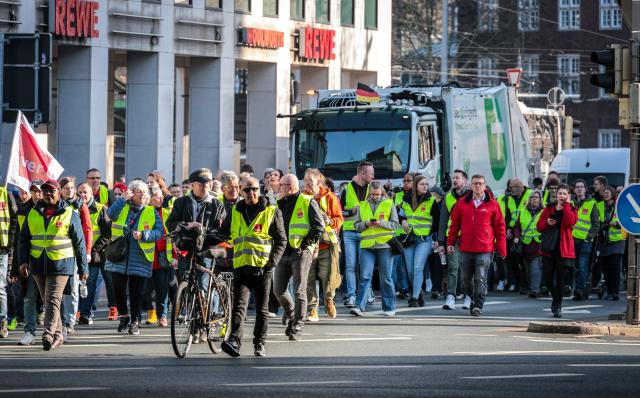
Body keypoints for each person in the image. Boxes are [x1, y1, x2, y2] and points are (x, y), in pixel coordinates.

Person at [18, 179, 88, 350]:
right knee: (47, 300)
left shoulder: (69, 212)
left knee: (52, 298)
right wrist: (22, 261)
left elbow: (79, 242)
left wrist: (83, 267)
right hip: (38, 263)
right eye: (45, 191)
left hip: (61, 263)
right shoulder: (33, 212)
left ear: (59, 192)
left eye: (52, 191)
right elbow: (23, 239)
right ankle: (58, 335)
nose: (48, 194)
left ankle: (48, 334)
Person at [220, 177, 286, 357]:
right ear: (241, 191)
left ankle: (259, 343)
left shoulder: (271, 211)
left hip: (263, 268)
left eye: (254, 189)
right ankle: (234, 341)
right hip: (241, 267)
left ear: (260, 189)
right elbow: (222, 233)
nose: (251, 193)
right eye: (247, 190)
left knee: (262, 309)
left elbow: (282, 240)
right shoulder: (235, 210)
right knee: (239, 306)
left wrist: (272, 263)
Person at [166, 169, 227, 340]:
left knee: (203, 287)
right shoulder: (181, 202)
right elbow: (170, 223)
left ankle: (208, 321)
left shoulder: (216, 204)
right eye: (201, 184)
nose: (205, 186)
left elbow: (222, 229)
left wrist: (203, 231)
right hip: (186, 249)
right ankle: (193, 323)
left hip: (206, 250)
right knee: (187, 284)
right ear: (192, 185)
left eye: (207, 183)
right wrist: (186, 225)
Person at [105, 180, 163, 335]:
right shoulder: (122, 205)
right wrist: (122, 199)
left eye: (145, 192)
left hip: (140, 257)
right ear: (131, 194)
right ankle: (124, 316)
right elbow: (110, 214)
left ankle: (135, 321)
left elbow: (159, 232)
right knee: (118, 290)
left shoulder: (152, 211)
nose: (143, 194)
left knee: (137, 292)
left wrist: (144, 235)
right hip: (118, 255)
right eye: (139, 192)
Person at [447, 175, 506, 317]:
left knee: (481, 278)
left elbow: (500, 228)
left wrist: (502, 249)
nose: (478, 186)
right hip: (465, 248)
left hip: (485, 249)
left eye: (480, 184)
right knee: (466, 279)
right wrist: (450, 242)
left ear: (485, 186)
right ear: (471, 186)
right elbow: (454, 225)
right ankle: (472, 298)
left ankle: (478, 306)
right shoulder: (462, 203)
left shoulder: (493, 204)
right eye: (475, 184)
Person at [274, 174, 324, 340]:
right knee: (278, 289)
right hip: (282, 251)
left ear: (290, 186)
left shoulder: (307, 201)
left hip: (300, 252)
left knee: (299, 290)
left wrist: (306, 244)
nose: (279, 187)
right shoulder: (278, 203)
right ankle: (292, 315)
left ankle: (297, 324)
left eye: (281, 185)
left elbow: (319, 226)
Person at [350, 181, 399, 316]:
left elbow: (395, 225)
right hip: (367, 245)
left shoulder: (389, 203)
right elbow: (356, 226)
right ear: (369, 193)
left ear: (381, 192)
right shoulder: (363, 205)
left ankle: (389, 308)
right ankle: (359, 306)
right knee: (365, 277)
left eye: (377, 194)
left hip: (384, 245)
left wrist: (381, 223)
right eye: (372, 194)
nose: (375, 197)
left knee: (386, 278)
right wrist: (365, 224)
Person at [304, 168, 343, 321]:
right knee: (309, 277)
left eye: (310, 181)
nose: (306, 184)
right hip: (308, 244)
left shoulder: (331, 197)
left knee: (328, 276)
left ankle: (329, 300)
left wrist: (330, 221)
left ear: (319, 182)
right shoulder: (302, 198)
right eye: (305, 181)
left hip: (327, 244)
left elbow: (339, 219)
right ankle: (313, 309)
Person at [77, 182, 116, 324]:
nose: (83, 195)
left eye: (85, 192)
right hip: (86, 253)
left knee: (109, 281)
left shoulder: (100, 209)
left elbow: (107, 234)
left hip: (102, 252)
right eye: (80, 192)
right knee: (89, 282)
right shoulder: (75, 209)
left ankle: (113, 307)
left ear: (91, 194)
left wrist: (94, 249)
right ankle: (85, 313)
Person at [536, 184, 577, 318]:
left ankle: (558, 305)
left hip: (564, 249)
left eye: (565, 194)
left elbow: (570, 222)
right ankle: (555, 298)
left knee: (561, 280)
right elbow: (539, 227)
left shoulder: (572, 209)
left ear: (568, 196)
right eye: (560, 193)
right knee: (547, 278)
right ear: (556, 195)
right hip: (549, 249)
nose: (562, 196)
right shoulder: (548, 209)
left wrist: (566, 206)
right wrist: (547, 222)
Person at [59, 176, 92, 336]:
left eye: (72, 188)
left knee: (72, 287)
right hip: (59, 252)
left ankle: (70, 321)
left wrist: (87, 251)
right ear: (60, 190)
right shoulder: (57, 205)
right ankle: (59, 320)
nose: (70, 191)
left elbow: (87, 228)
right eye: (66, 188)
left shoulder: (80, 205)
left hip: (75, 252)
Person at [399, 175, 438, 307]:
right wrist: (403, 221)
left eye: (426, 184)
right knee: (409, 270)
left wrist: (430, 235)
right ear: (415, 186)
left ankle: (414, 298)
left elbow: (437, 221)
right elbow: (400, 216)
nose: (425, 186)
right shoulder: (406, 199)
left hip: (424, 240)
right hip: (409, 239)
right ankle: (419, 292)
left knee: (417, 268)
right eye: (422, 184)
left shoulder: (431, 200)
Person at [341, 161, 374, 308]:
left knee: (365, 266)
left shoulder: (373, 189)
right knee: (350, 266)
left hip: (366, 231)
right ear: (363, 174)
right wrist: (351, 211)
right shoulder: (346, 189)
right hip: (349, 232)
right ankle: (352, 296)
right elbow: (339, 212)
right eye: (371, 174)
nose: (373, 176)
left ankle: (368, 292)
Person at [437, 169, 469, 310]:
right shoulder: (448, 197)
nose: (455, 180)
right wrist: (441, 242)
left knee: (468, 269)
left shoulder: (472, 195)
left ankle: (469, 296)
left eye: (457, 178)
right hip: (453, 238)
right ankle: (451, 296)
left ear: (465, 180)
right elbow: (443, 221)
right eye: (453, 178)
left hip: (469, 238)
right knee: (453, 267)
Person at [497, 178, 531, 294]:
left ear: (520, 187)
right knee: (512, 259)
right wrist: (506, 229)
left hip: (526, 231)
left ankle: (526, 285)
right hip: (512, 231)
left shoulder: (530, 194)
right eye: (509, 187)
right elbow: (505, 215)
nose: (510, 190)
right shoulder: (508, 198)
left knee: (524, 261)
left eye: (512, 188)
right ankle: (517, 283)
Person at [148, 187, 175, 327]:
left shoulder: (166, 212)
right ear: (150, 199)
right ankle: (148, 314)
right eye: (157, 197)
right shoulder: (145, 212)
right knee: (146, 290)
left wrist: (175, 256)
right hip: (146, 257)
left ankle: (162, 315)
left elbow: (172, 234)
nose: (160, 199)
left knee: (162, 288)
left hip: (162, 257)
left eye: (161, 197)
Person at [571, 180, 600, 301]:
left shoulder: (591, 203)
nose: (579, 189)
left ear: (585, 189)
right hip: (571, 239)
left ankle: (579, 290)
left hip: (585, 241)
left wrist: (589, 238)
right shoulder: (571, 202)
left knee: (582, 265)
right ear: (574, 189)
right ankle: (573, 287)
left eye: (581, 187)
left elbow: (596, 224)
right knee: (574, 266)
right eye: (577, 187)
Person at [514, 190, 544, 298]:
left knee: (536, 268)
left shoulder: (544, 211)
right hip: (525, 245)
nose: (534, 199)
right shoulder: (523, 211)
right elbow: (517, 227)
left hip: (538, 244)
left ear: (540, 199)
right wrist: (517, 237)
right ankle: (532, 287)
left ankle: (534, 290)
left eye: (536, 197)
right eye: (532, 197)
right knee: (527, 269)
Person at [597, 186, 625, 300]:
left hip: (617, 241)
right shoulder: (599, 205)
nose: (606, 194)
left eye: (608, 192)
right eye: (604, 192)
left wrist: (614, 223)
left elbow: (624, 220)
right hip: (604, 241)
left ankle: (614, 292)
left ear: (613, 194)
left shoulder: (619, 206)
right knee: (606, 268)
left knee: (615, 267)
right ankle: (609, 290)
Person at [0, 184, 18, 338]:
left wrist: (9, 247)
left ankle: (2, 322)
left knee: (0, 287)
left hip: (2, 249)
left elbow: (14, 223)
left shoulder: (5, 194)